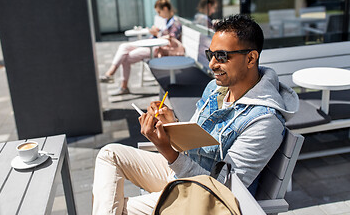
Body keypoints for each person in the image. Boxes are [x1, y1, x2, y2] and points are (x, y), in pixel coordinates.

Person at [92, 14, 299, 214]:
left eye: (222, 56)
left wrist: (168, 151)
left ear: (251, 58)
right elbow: (195, 141)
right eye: (211, 54)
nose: (212, 64)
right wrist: (172, 123)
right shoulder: (215, 88)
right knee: (109, 154)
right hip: (183, 172)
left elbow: (220, 189)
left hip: (205, 199)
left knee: (120, 209)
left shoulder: (265, 120)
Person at [99, 0, 182, 96]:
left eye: (159, 12)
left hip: (159, 48)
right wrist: (156, 31)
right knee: (123, 47)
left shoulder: (175, 22)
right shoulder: (165, 21)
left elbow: (170, 39)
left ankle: (122, 86)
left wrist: (157, 33)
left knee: (125, 58)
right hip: (152, 43)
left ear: (165, 8)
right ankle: (110, 73)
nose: (159, 15)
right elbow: (162, 33)